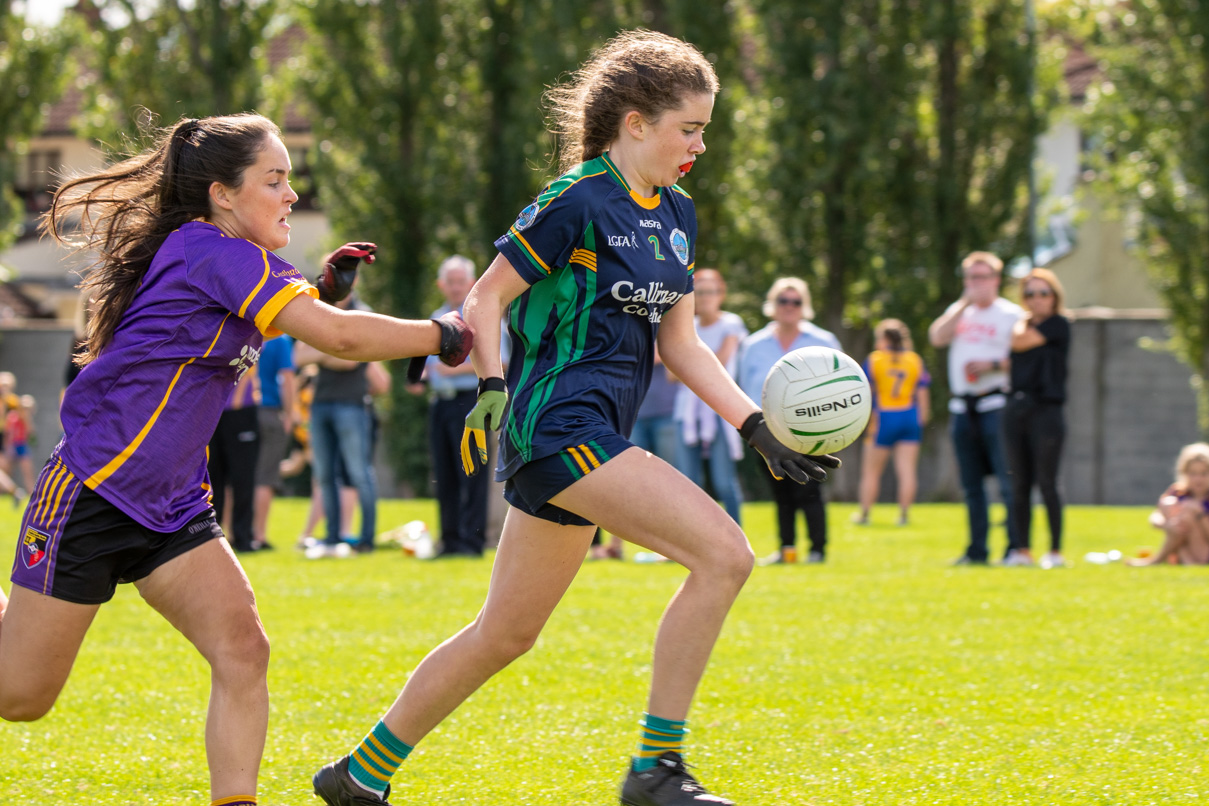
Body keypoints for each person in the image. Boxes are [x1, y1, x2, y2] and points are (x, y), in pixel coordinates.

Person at [310, 30, 837, 806]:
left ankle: (357, 774)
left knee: (506, 634)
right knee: (725, 556)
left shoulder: (679, 215)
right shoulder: (575, 200)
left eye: (704, 131)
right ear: (633, 122)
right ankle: (655, 771)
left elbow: (681, 344)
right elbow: (484, 298)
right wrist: (491, 382)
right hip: (557, 426)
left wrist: (753, 424)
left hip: (588, 437)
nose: (698, 146)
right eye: (687, 128)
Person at [0, 113, 472, 806]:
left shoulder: (231, 258)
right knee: (20, 698)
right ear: (223, 194)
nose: (290, 195)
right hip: (95, 490)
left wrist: (321, 288)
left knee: (244, 652)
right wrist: (443, 332)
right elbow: (337, 340)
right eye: (274, 180)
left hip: (173, 506)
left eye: (290, 180)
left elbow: (301, 315)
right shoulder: (213, 251)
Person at [736, 277, 841, 565]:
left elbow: (842, 386)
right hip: (768, 431)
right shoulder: (754, 344)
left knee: (810, 489)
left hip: (812, 430)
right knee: (781, 492)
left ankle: (818, 550)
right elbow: (743, 387)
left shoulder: (823, 341)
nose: (789, 307)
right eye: (784, 300)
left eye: (796, 301)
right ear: (773, 304)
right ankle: (787, 550)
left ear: (804, 305)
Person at [928, 251, 1022, 566]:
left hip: (996, 403)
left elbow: (1025, 360)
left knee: (1008, 481)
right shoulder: (960, 313)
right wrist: (962, 304)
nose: (974, 284)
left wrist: (991, 364)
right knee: (971, 485)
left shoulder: (1011, 315)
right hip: (962, 406)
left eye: (981, 278)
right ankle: (977, 550)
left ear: (995, 280)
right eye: (969, 278)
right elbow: (937, 337)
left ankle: (1013, 548)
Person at [408, 255, 496, 558]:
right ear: (441, 285)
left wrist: (450, 371)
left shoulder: (479, 315)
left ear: (471, 283)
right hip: (440, 404)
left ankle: (472, 543)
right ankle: (449, 540)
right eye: (451, 281)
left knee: (472, 473)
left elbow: (502, 362)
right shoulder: (437, 316)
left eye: (461, 281)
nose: (457, 287)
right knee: (443, 474)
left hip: (469, 403)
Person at [294, 288, 389, 556]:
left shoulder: (364, 313)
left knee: (360, 473)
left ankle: (366, 540)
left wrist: (322, 350)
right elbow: (299, 356)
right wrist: (335, 349)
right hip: (321, 404)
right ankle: (332, 537)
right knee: (324, 475)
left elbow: (351, 361)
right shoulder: (318, 311)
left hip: (352, 405)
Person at [1003, 268, 1071, 569]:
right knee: (1019, 482)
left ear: (1054, 296)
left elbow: (1018, 342)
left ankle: (1055, 551)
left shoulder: (1059, 324)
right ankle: (1022, 549)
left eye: (1043, 293)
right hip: (1017, 408)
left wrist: (1021, 323)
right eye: (1029, 293)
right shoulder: (1023, 325)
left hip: (1047, 410)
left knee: (1047, 481)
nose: (1037, 299)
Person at [673, 268, 747, 524]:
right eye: (699, 292)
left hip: (720, 411)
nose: (705, 298)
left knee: (724, 482)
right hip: (687, 413)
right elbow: (672, 374)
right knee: (688, 484)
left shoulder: (731, 324)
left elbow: (722, 362)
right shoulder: (685, 327)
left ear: (721, 294)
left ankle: (739, 541)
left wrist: (689, 365)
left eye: (711, 292)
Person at [854, 319, 931, 526]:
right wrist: (921, 419)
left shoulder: (876, 359)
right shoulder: (914, 360)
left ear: (884, 338)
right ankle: (904, 515)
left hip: (884, 417)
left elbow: (866, 391)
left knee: (871, 472)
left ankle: (864, 514)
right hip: (909, 416)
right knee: (907, 471)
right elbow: (922, 393)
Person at [1130, 442, 1209, 566]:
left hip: (1203, 550)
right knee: (1168, 503)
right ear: (1184, 473)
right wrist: (1167, 525)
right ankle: (1183, 559)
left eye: (1204, 474)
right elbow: (1155, 516)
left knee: (1187, 512)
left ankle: (1157, 561)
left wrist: (1199, 513)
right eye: (1193, 474)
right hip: (1182, 547)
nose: (1198, 479)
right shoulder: (1179, 492)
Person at [207, 369, 260, 553]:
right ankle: (210, 536)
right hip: (211, 410)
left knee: (242, 477)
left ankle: (242, 537)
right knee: (212, 476)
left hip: (241, 411)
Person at [252, 333, 296, 550]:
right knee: (266, 476)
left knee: (236, 475)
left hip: (241, 412)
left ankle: (232, 531)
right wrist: (289, 414)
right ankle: (259, 535)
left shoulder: (242, 331)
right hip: (270, 412)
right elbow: (287, 378)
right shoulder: (280, 340)